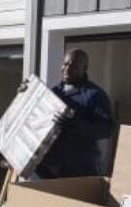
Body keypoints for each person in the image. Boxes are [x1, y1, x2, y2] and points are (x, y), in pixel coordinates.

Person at [36, 49, 115, 179]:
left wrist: (75, 125)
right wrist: (25, 95)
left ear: (85, 68)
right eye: (65, 64)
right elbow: (34, 119)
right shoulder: (53, 93)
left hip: (78, 170)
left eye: (73, 66)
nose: (67, 68)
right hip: (47, 168)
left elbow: (107, 129)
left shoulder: (95, 95)